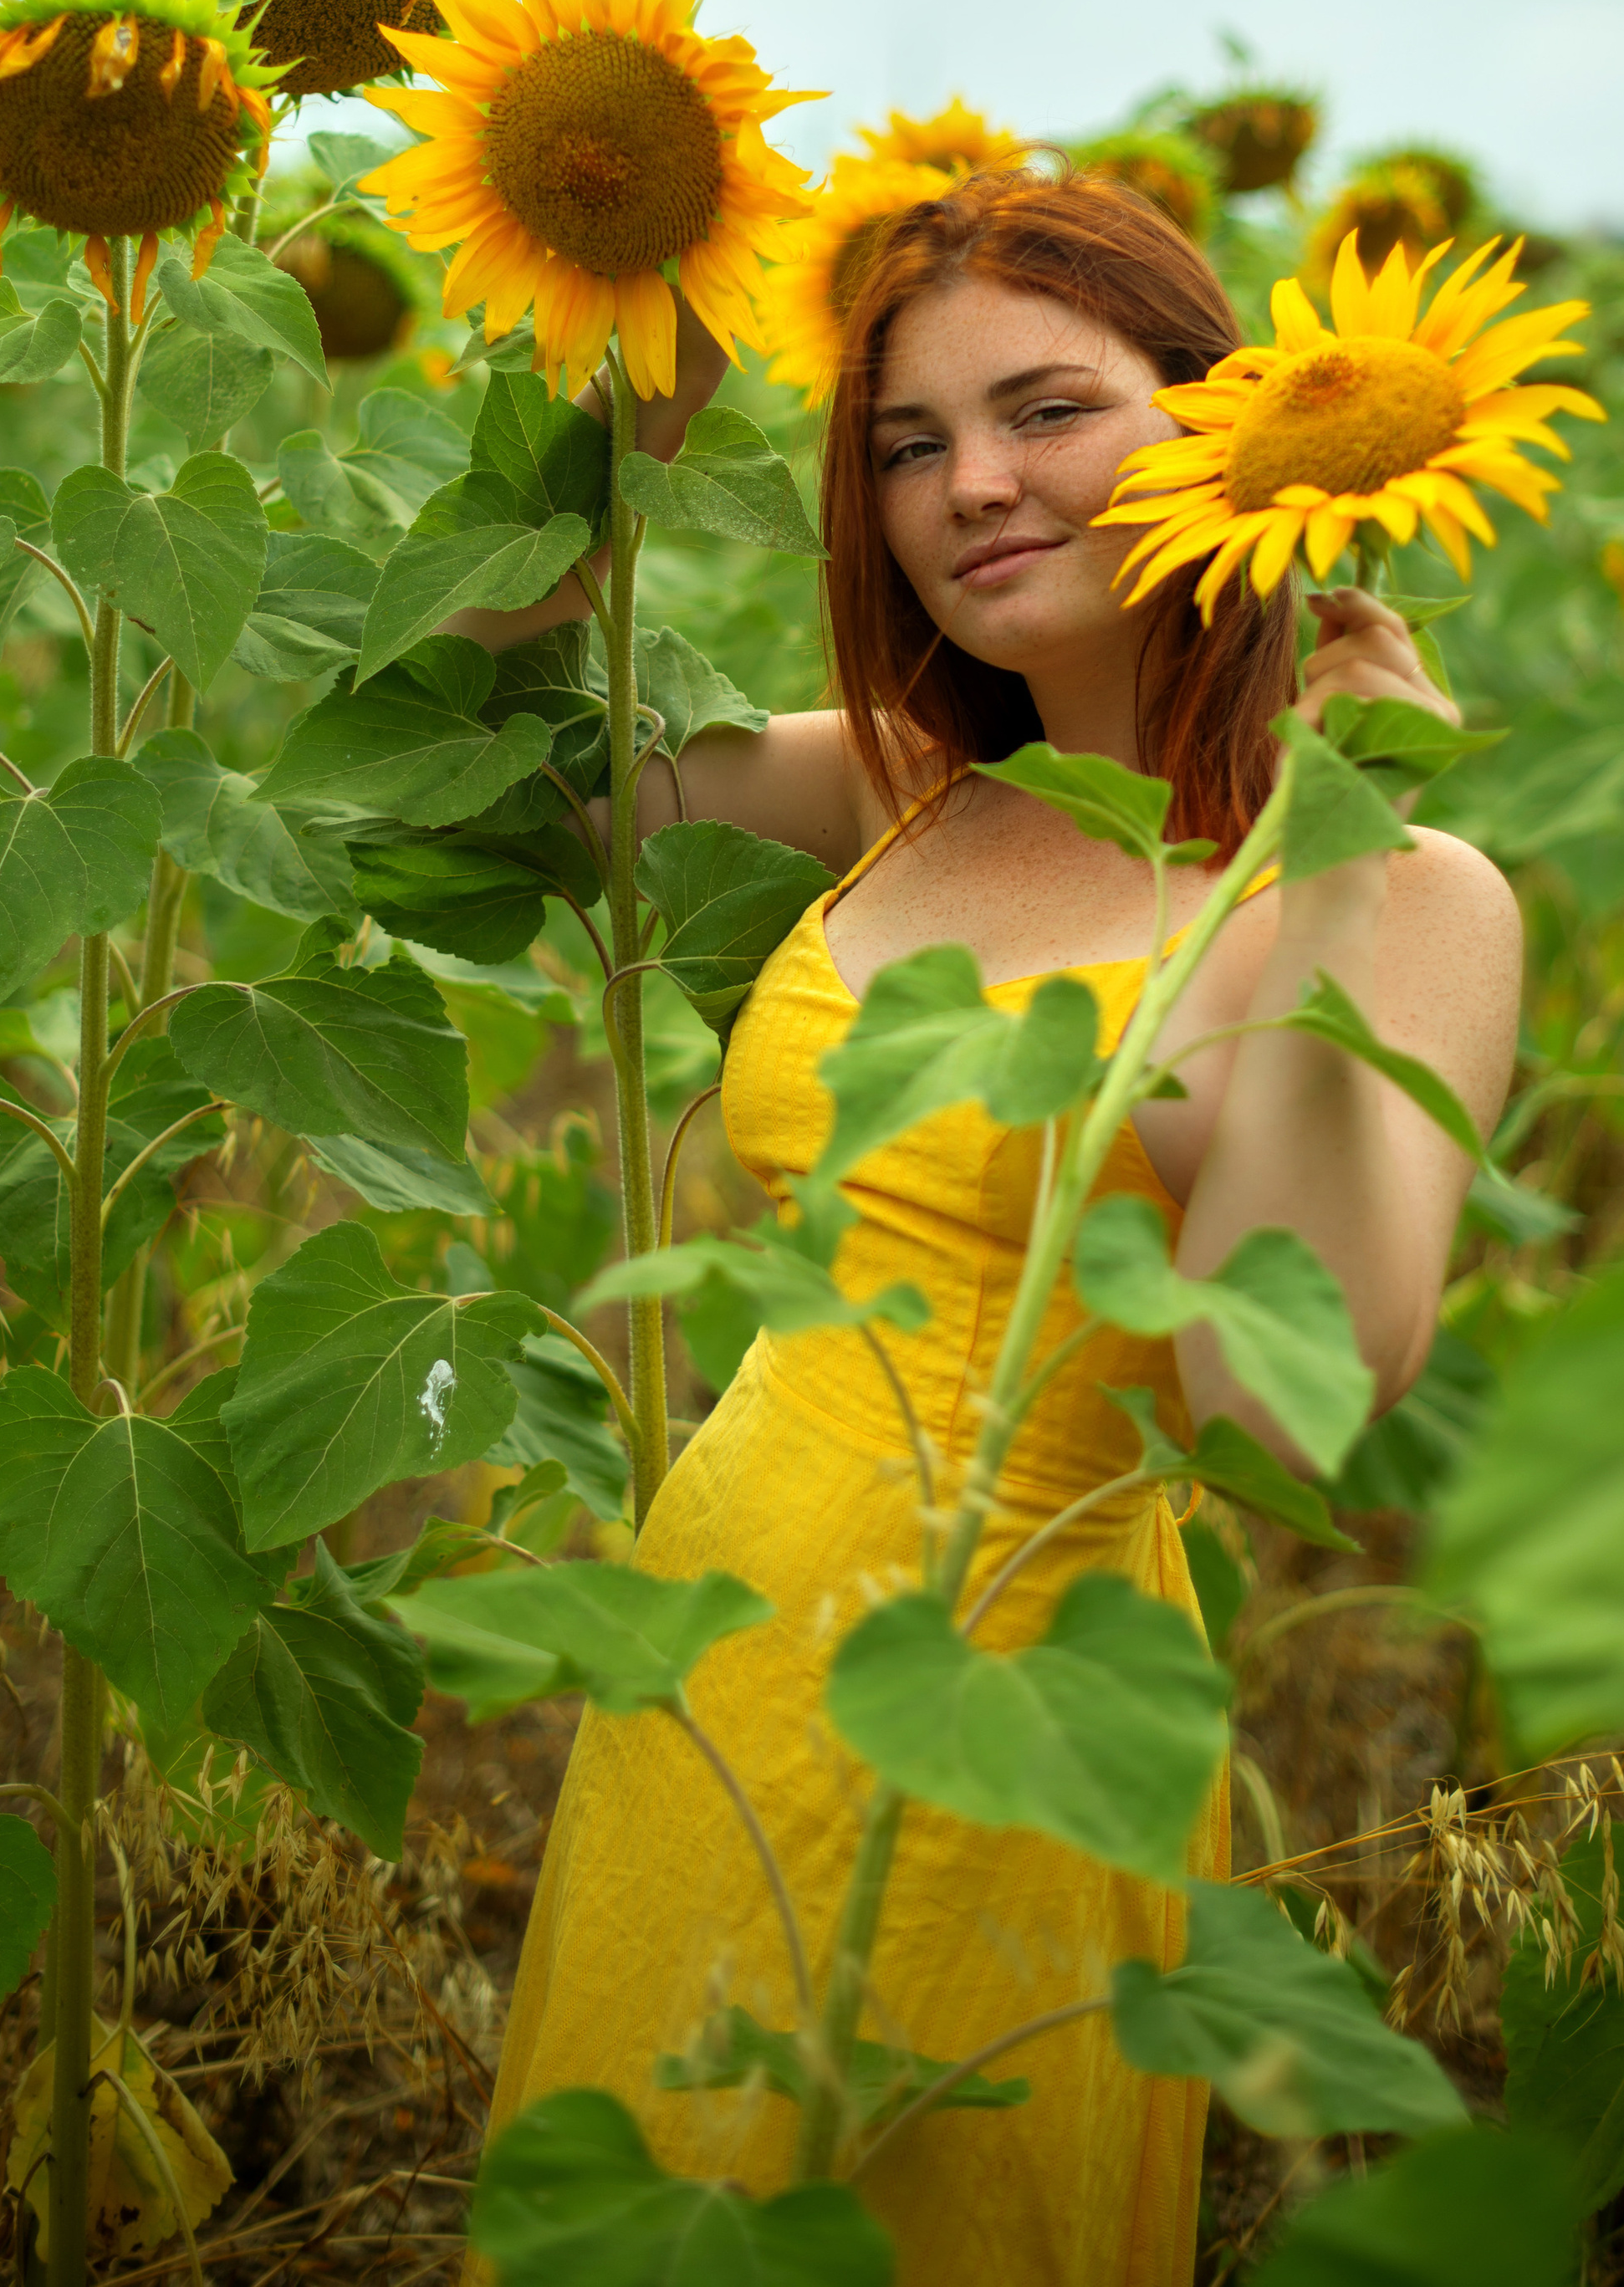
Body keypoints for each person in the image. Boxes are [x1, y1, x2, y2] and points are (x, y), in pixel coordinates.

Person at [460, 173, 1521, 2287]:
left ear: (1215, 423)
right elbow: (480, 769)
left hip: (1021, 1709)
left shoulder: (1420, 902)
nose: (972, 486)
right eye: (907, 446)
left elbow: (1277, 1401)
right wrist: (617, 441)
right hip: (713, 1684)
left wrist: (1316, 867)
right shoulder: (902, 792)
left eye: (1045, 410)